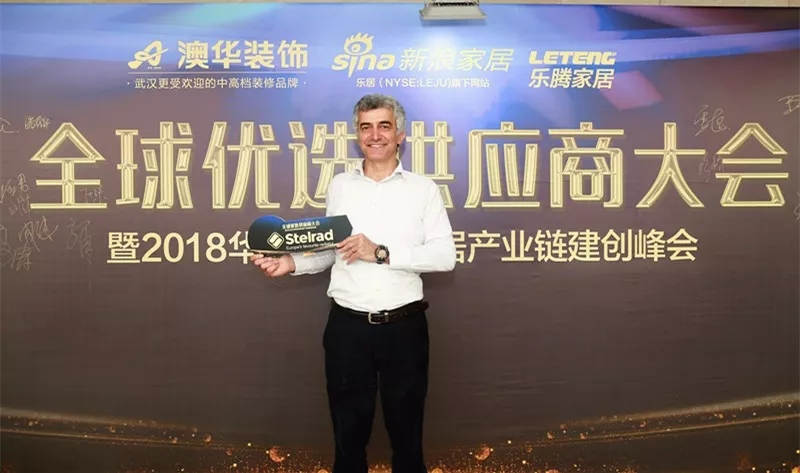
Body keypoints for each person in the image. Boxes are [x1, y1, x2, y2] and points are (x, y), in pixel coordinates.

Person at [250, 94, 456, 473]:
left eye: (384, 126)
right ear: (357, 135)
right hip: (348, 330)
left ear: (400, 135)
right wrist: (290, 263)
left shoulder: (423, 189)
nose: (375, 135)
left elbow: (445, 257)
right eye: (366, 127)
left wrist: (380, 252)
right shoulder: (341, 186)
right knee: (347, 442)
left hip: (404, 330)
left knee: (408, 442)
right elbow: (335, 252)